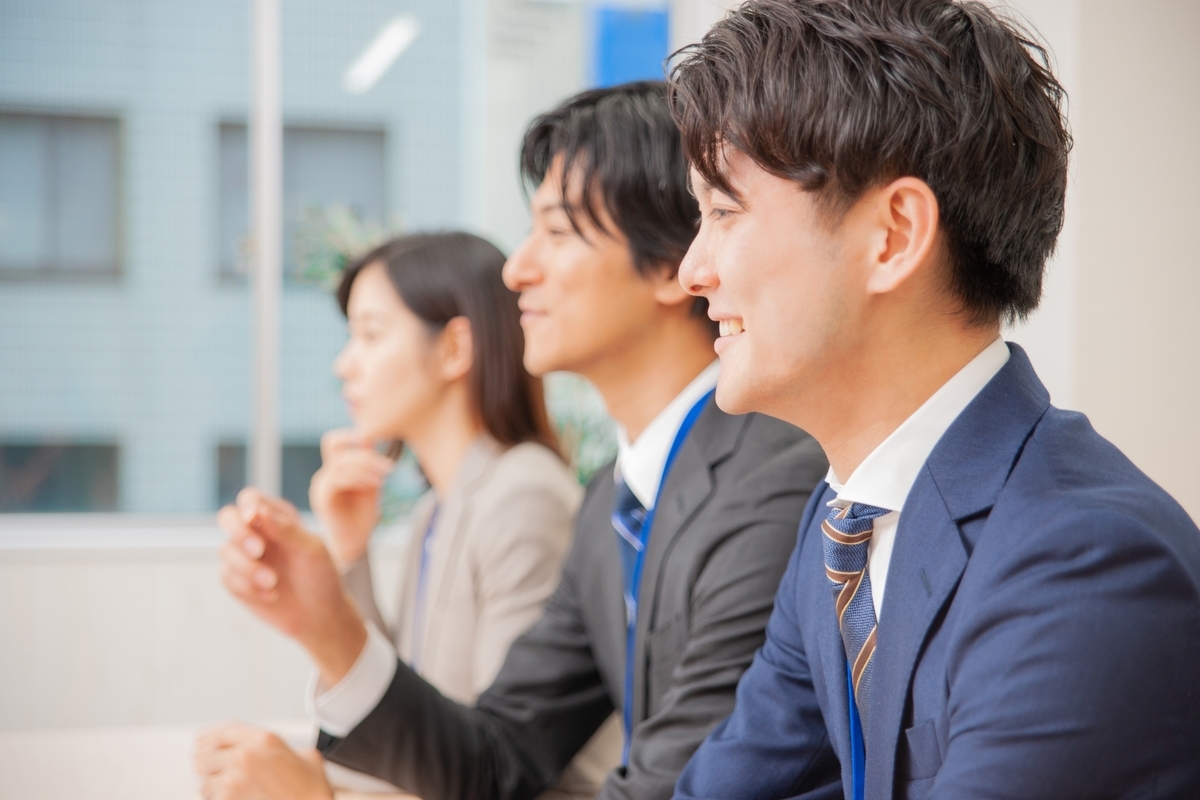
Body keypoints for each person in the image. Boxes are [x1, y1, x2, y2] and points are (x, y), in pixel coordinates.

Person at [205, 81, 829, 800]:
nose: (516, 268)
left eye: (557, 232)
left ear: (671, 264)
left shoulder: (773, 483)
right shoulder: (611, 508)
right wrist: (328, 625)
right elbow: (497, 758)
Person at [666, 1, 1200, 799]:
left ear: (893, 235)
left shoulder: (1087, 563)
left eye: (724, 212)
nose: (691, 272)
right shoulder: (842, 521)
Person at [194, 232, 596, 798]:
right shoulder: (437, 511)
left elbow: (498, 773)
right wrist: (350, 549)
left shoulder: (523, 495)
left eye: (370, 335)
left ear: (455, 349)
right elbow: (407, 733)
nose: (344, 364)